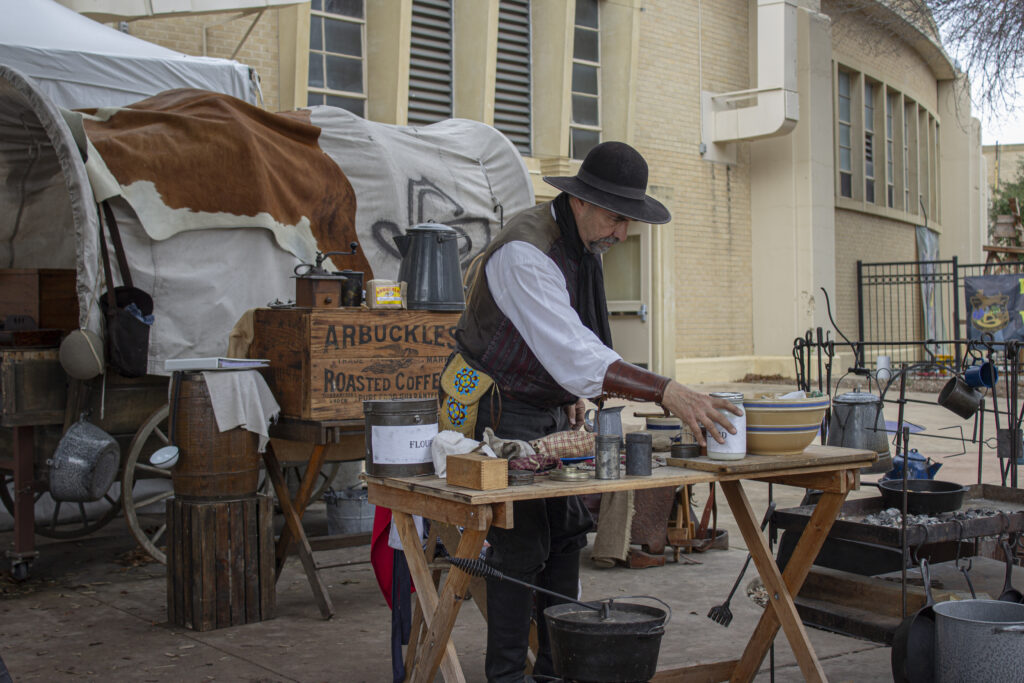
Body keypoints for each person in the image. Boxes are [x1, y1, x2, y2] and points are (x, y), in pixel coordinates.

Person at [439, 141, 742, 682]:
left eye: (627, 221)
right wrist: (667, 390)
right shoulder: (525, 252)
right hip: (497, 409)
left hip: (547, 407)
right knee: (518, 543)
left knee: (565, 535)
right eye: (615, 217)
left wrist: (576, 396)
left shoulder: (581, 246)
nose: (621, 233)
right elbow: (576, 353)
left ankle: (556, 672)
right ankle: (507, 676)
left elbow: (574, 343)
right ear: (579, 202)